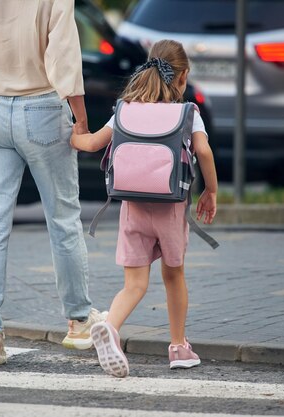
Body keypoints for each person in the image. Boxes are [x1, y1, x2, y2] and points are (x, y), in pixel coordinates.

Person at [0, 0, 106, 365]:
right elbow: (64, 59)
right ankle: (79, 320)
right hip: (41, 104)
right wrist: (82, 121)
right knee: (63, 221)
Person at [71, 40, 218, 377]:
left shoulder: (124, 109)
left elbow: (92, 143)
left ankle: (111, 326)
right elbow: (205, 153)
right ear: (181, 78)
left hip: (132, 207)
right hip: (170, 209)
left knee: (134, 284)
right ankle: (179, 347)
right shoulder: (187, 113)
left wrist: (73, 134)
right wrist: (210, 190)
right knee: (173, 275)